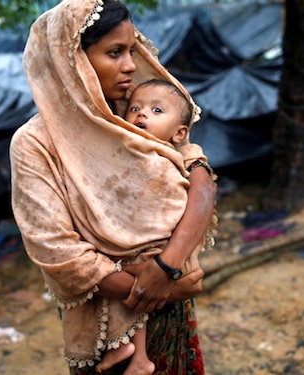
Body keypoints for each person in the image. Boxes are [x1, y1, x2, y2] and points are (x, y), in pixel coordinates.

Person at [9, 0, 217, 374]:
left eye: (132, 51)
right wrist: (157, 287)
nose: (130, 66)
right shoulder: (35, 143)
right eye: (115, 52)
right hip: (103, 326)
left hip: (169, 302)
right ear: (72, 59)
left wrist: (168, 267)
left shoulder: (134, 114)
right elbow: (57, 253)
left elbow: (199, 179)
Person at [94, 79, 209, 374]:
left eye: (156, 110)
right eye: (135, 108)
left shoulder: (167, 155)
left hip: (161, 242)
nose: (142, 115)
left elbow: (181, 192)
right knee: (127, 280)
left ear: (179, 133)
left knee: (137, 279)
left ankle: (137, 355)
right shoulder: (132, 143)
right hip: (143, 238)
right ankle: (131, 351)